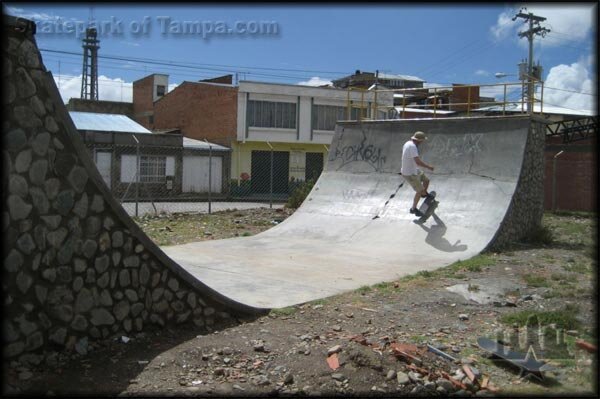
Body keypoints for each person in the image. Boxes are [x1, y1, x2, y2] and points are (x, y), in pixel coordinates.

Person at [401, 131, 434, 217]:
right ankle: (413, 209)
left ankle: (424, 193)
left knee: (426, 180)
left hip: (414, 170)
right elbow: (418, 162)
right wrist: (428, 167)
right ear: (419, 140)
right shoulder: (412, 147)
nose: (422, 143)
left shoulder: (408, 143)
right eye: (422, 141)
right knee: (419, 191)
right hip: (409, 173)